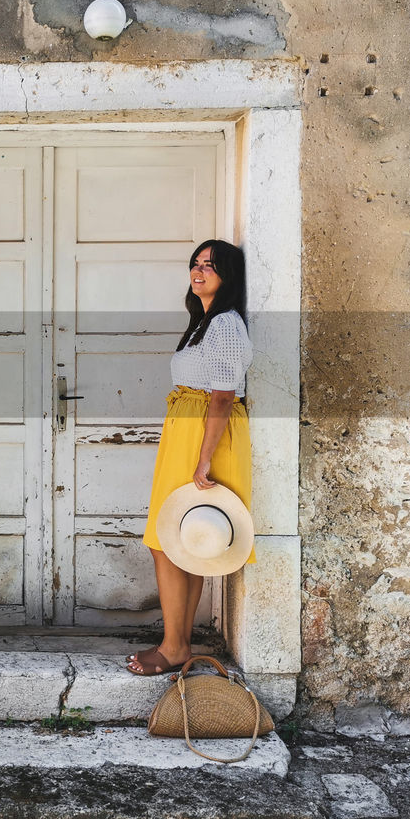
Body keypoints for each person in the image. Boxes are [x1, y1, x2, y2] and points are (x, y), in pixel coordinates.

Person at [126, 239, 254, 676]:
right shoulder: (205, 321)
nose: (199, 272)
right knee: (180, 539)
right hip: (187, 431)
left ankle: (174, 645)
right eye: (196, 264)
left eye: (210, 267)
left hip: (201, 436)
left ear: (228, 277)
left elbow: (222, 397)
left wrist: (203, 459)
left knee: (167, 542)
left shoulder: (225, 326)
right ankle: (177, 643)